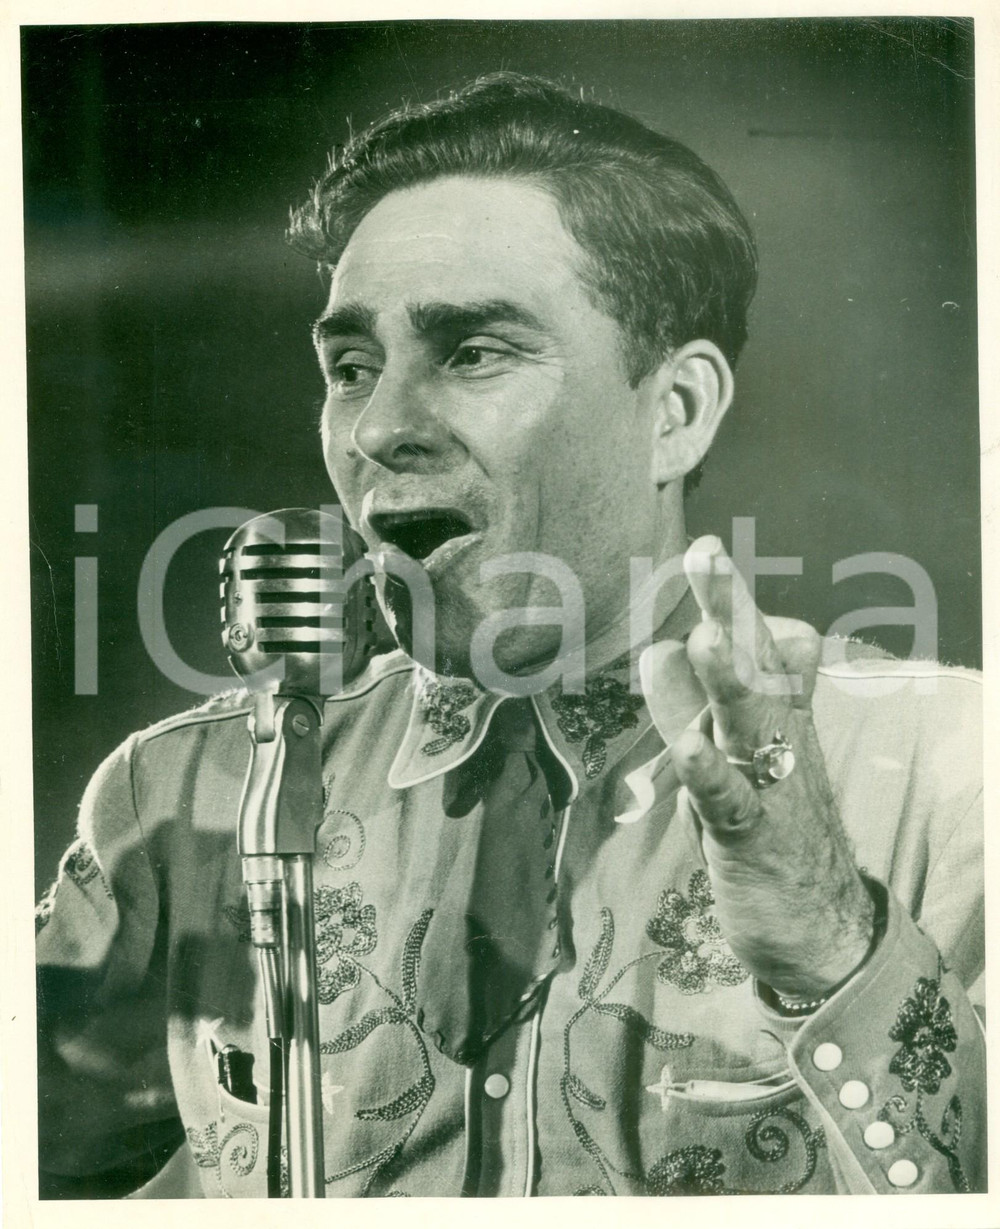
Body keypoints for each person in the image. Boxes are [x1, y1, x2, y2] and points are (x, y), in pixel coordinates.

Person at [36, 72, 984, 1198]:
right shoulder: (176, 793)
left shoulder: (945, 768)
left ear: (673, 410)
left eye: (473, 352)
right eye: (349, 367)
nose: (379, 427)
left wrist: (831, 941)